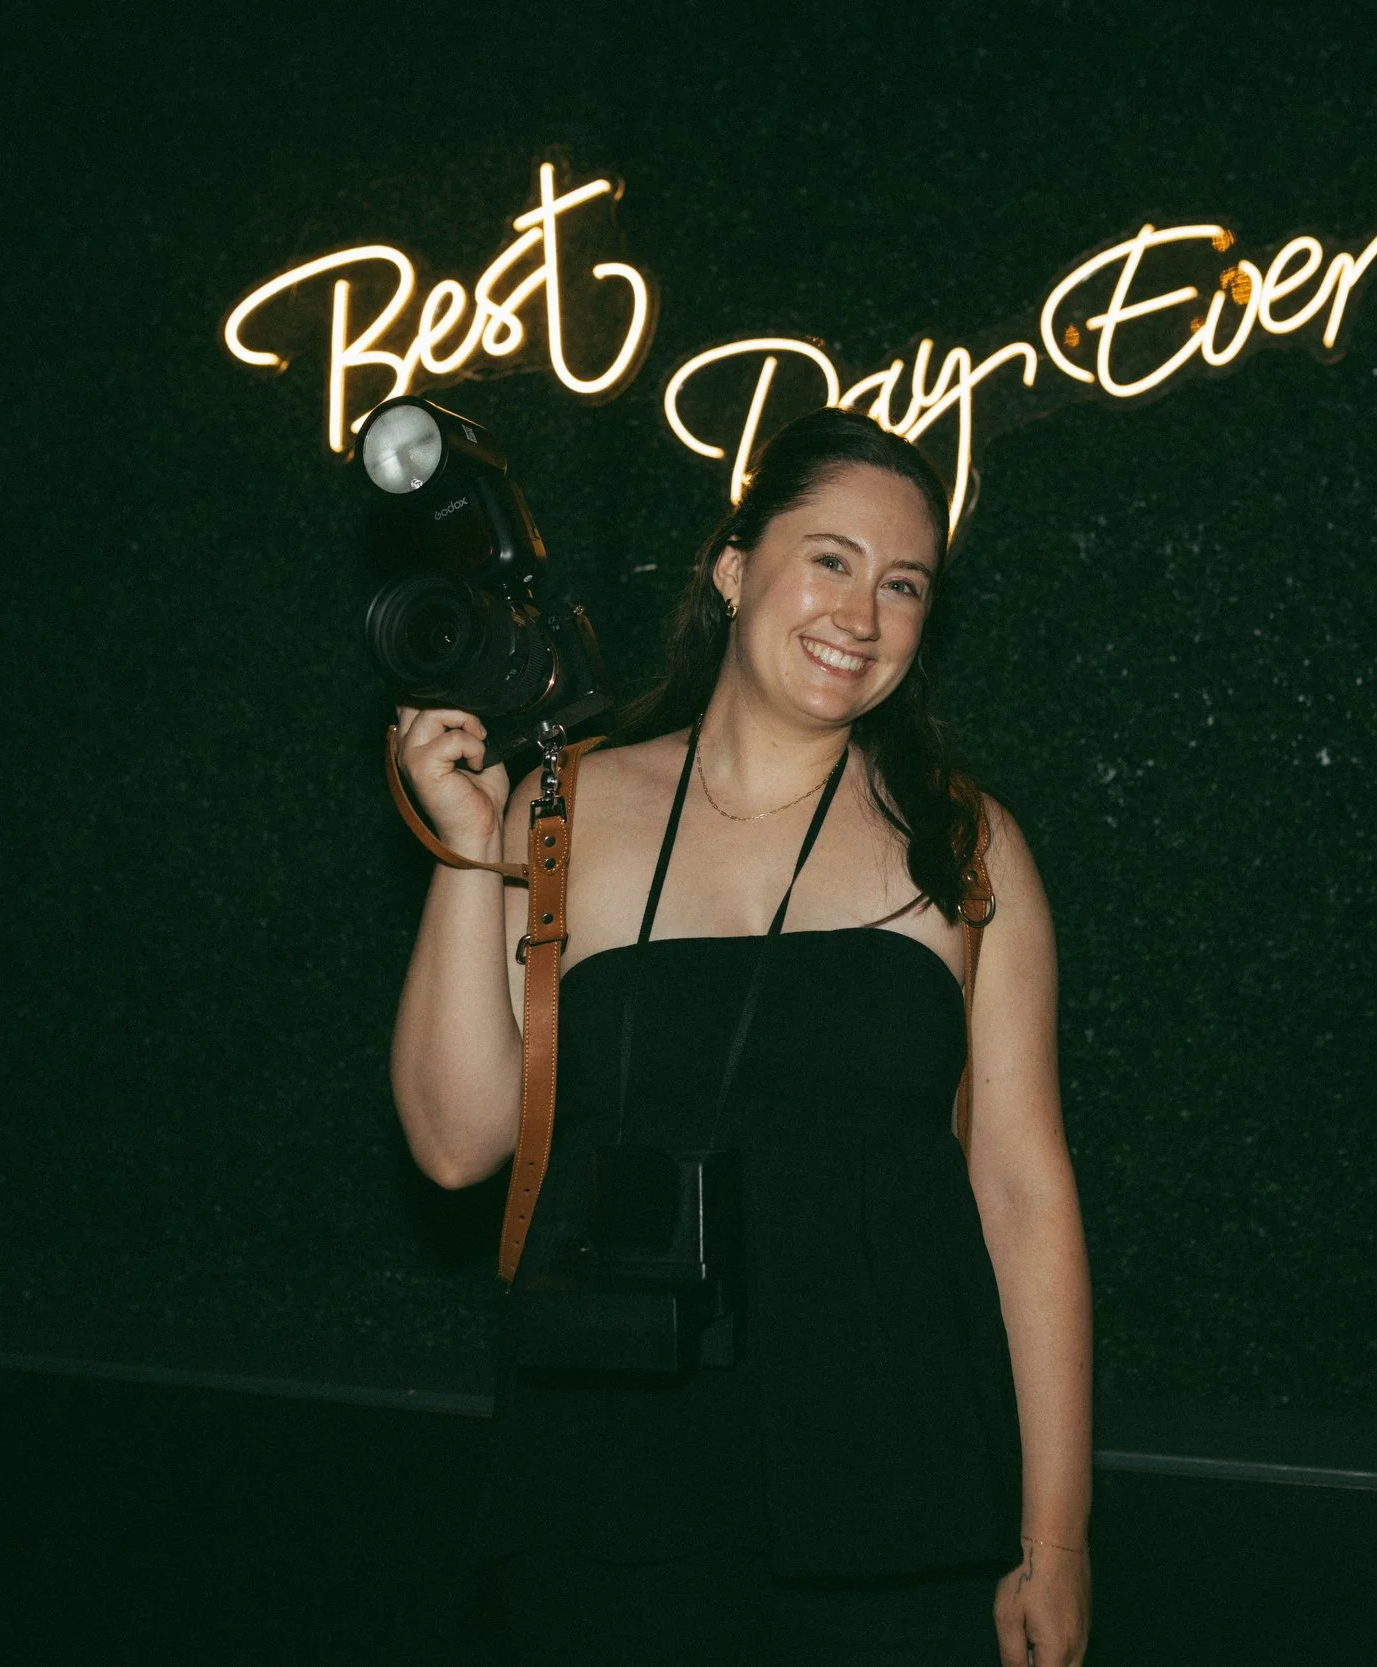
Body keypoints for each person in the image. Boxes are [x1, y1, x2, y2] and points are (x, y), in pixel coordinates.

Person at [388, 408, 1092, 1667]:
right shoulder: (561, 806)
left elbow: (1024, 1192)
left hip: (891, 1481)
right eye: (828, 557)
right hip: (607, 1481)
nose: (861, 614)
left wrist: (1058, 1537)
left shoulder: (963, 843)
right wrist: (462, 843)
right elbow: (453, 1144)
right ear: (732, 566)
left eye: (904, 584)